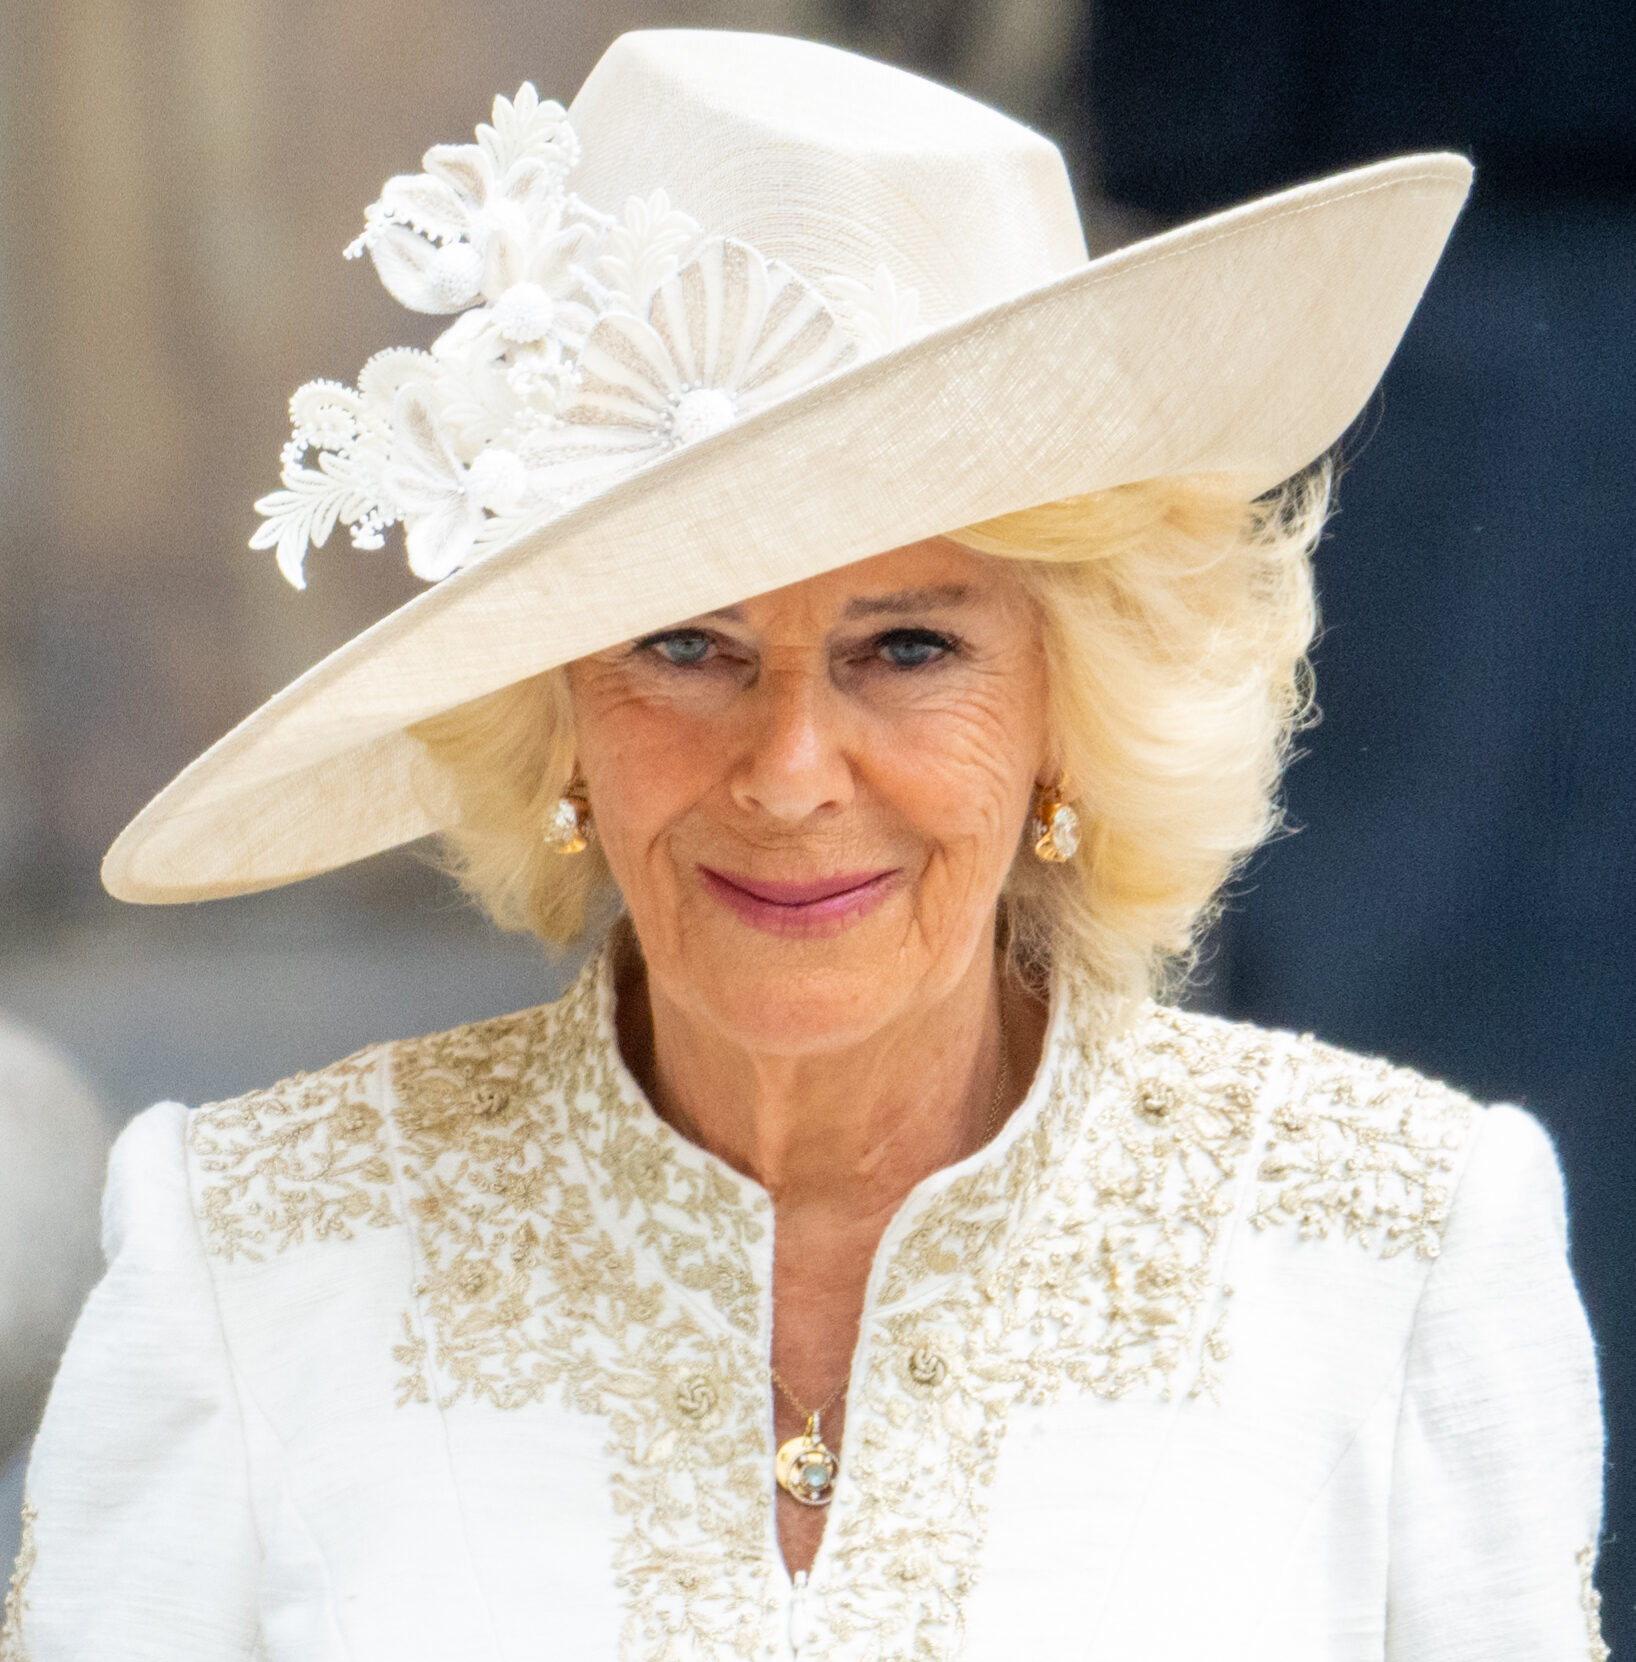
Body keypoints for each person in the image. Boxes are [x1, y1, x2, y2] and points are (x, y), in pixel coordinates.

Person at [1, 29, 1605, 1662]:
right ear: (556, 707)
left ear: (1074, 700)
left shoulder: (1396, 1254)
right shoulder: (250, 1260)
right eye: (684, 646)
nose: (786, 771)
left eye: (906, 647)